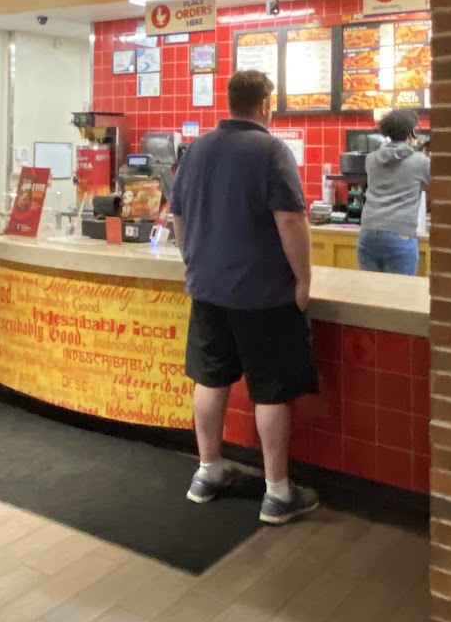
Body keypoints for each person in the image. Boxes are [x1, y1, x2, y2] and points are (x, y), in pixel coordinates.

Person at [166, 69, 320, 524]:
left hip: (209, 291)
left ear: (230, 101)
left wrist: (193, 264)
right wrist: (304, 280)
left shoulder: (197, 150)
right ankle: (276, 493)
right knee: (270, 391)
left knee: (210, 379)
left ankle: (207, 472)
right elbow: (291, 221)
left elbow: (178, 218)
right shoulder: (272, 150)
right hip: (263, 294)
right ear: (266, 103)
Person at [357, 108, 428, 275]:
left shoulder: (371, 159)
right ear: (412, 132)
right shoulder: (420, 161)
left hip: (367, 232)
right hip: (399, 234)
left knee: (370, 295)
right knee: (399, 296)